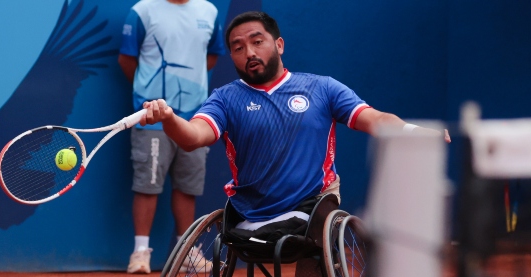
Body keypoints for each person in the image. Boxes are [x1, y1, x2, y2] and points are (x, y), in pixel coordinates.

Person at [139, 11, 450, 263]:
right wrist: (169, 118)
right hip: (248, 217)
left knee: (316, 218)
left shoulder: (323, 88)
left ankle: (318, 268)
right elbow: (194, 136)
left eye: (257, 41)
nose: (249, 53)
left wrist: (414, 132)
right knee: (251, 233)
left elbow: (375, 119)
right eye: (237, 48)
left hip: (309, 210)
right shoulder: (224, 98)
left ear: (279, 45)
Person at [118, 0, 226, 274]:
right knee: (147, 184)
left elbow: (211, 56)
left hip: (194, 119)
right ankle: (140, 253)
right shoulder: (143, 11)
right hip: (152, 118)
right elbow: (127, 60)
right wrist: (149, 95)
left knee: (188, 187)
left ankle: (187, 252)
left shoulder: (209, 12)